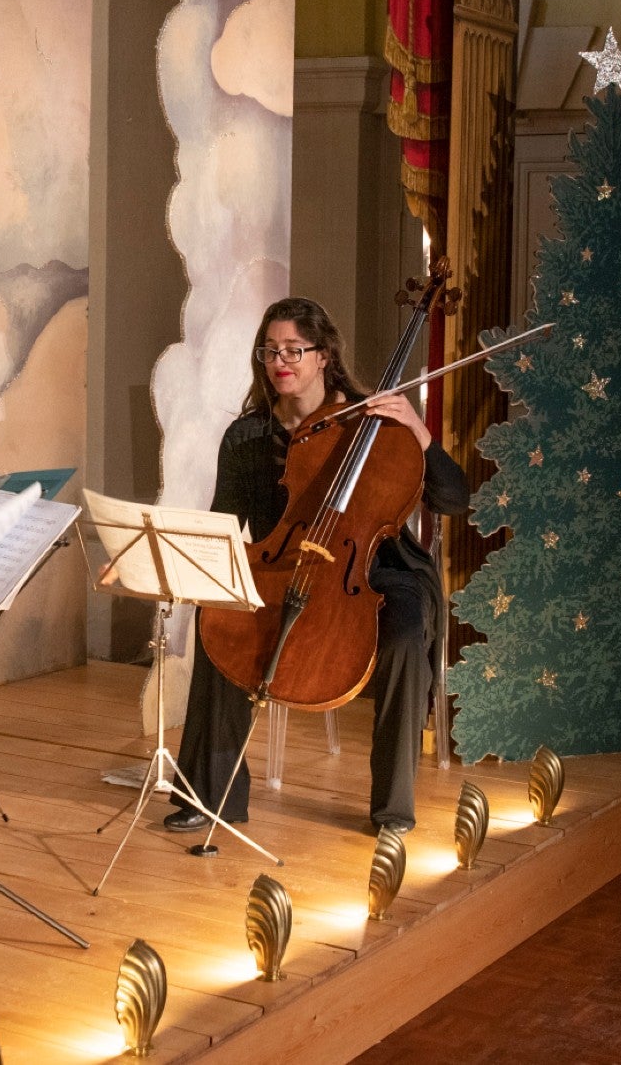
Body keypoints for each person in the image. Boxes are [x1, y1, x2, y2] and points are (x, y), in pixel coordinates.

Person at [165, 297, 471, 838]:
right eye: (270, 351)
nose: (280, 361)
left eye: (293, 350)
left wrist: (418, 432)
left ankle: (392, 810)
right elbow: (224, 520)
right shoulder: (249, 436)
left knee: (402, 634)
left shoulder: (371, 421)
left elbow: (452, 498)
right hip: (283, 566)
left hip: (374, 571)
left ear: (325, 355)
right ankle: (208, 796)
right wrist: (201, 573)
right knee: (220, 618)